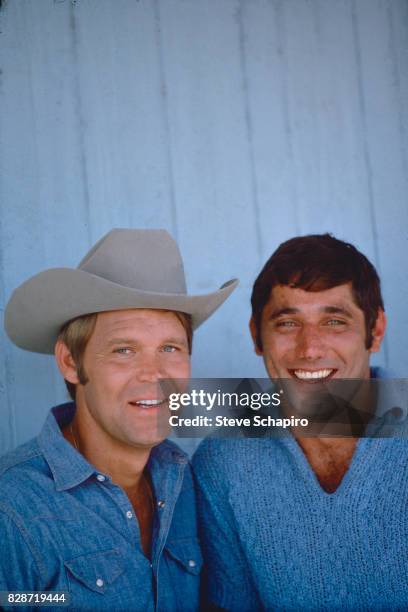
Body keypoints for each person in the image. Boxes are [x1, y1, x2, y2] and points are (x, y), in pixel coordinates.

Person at [0, 228, 237, 611]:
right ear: (70, 362)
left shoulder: (183, 479)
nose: (154, 374)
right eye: (124, 350)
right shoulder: (12, 508)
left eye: (170, 347)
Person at [193, 233, 408, 610]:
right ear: (256, 336)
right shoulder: (222, 462)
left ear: (374, 331)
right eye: (288, 323)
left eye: (335, 321)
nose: (310, 349)